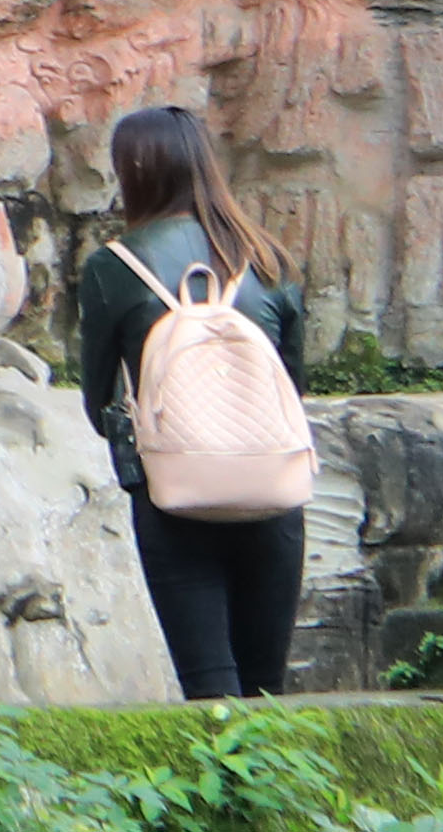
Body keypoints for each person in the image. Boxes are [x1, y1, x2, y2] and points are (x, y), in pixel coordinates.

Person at [80, 103, 316, 700]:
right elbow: (291, 387)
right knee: (266, 693)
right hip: (270, 491)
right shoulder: (271, 261)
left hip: (174, 499)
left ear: (135, 171)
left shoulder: (113, 267)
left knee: (211, 696)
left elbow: (100, 406)